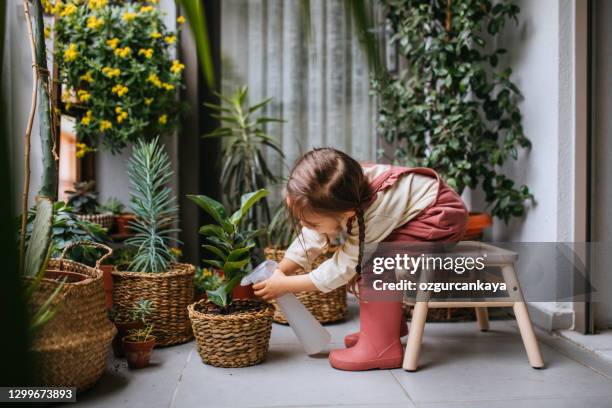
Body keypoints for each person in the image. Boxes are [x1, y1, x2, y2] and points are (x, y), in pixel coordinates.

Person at [253, 147, 468, 371]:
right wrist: (284, 268)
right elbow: (313, 234)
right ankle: (386, 329)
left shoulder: (373, 212)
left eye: (313, 223)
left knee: (374, 265)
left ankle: (382, 347)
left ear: (346, 214)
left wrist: (287, 284)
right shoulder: (342, 190)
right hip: (414, 211)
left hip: (438, 219)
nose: (309, 228)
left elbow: (344, 267)